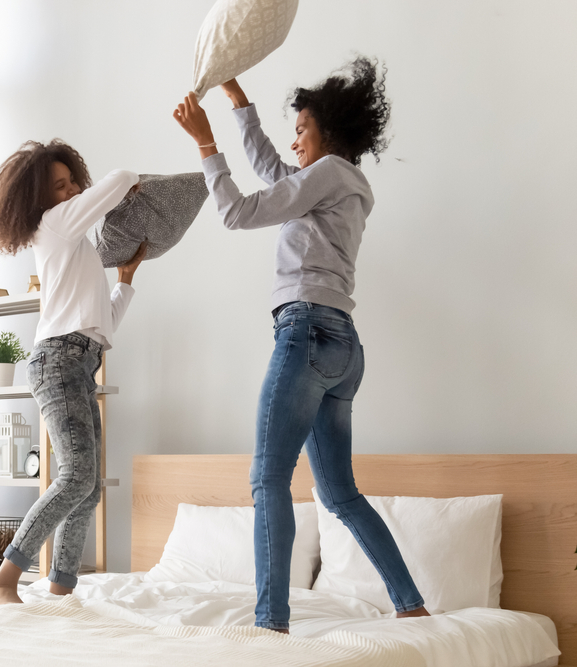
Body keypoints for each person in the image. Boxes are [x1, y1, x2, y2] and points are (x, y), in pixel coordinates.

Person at [173, 58, 429, 631]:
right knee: (339, 495)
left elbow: (238, 212)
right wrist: (238, 100)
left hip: (306, 332)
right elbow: (273, 171)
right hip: (342, 347)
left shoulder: (329, 173)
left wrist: (206, 144)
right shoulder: (342, 183)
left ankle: (271, 623)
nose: (294, 141)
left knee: (269, 478)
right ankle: (410, 602)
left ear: (327, 133)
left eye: (301, 130)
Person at [0, 139, 146, 604]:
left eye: (73, 181)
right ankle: (2, 581)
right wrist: (136, 181)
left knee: (87, 488)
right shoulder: (53, 224)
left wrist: (124, 282)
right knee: (76, 476)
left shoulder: (74, 243)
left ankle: (60, 589)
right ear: (40, 198)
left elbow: (102, 325)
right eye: (60, 185)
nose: (72, 190)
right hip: (59, 360)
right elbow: (117, 181)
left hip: (80, 360)